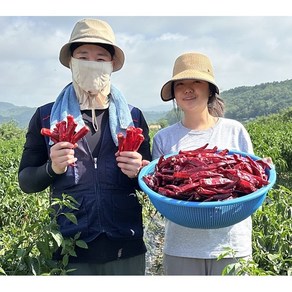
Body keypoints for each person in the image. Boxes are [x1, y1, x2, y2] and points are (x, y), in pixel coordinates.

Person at [18, 18, 151, 275]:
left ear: (112, 65)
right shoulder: (46, 117)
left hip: (125, 246)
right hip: (68, 249)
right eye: (83, 56)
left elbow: (151, 182)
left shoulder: (132, 118)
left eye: (101, 58)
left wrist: (140, 174)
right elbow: (26, 181)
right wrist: (51, 168)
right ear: (71, 62)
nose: (92, 64)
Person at [151, 52, 254, 275]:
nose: (188, 89)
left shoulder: (234, 130)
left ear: (210, 90)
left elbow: (253, 183)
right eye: (180, 85)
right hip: (181, 248)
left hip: (232, 246)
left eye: (196, 81)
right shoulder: (163, 139)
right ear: (174, 95)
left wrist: (263, 170)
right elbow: (160, 190)